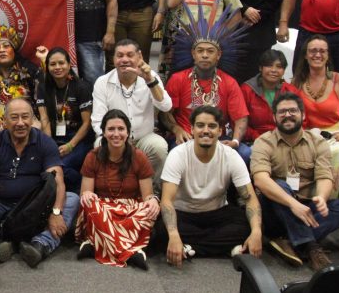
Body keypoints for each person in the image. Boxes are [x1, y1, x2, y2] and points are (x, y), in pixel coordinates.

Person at [250, 92, 339, 271]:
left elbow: (324, 176)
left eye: (293, 110)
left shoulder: (318, 142)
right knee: (280, 185)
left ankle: (287, 242)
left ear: (303, 115)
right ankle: (310, 246)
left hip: (307, 206)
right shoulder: (263, 142)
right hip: (275, 208)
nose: (288, 115)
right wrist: (292, 204)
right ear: (274, 117)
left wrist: (321, 197)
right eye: (282, 112)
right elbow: (260, 179)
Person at [0, 97, 79, 268]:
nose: (20, 123)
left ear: (33, 119)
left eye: (25, 117)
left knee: (72, 199)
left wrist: (55, 213)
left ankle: (41, 244)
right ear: (4, 121)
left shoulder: (45, 143)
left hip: (35, 205)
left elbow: (58, 180)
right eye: (14, 117)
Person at [160, 106, 263, 266]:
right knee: (161, 229)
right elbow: (166, 201)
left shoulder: (231, 156)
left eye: (212, 126)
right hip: (183, 214)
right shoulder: (178, 155)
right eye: (200, 125)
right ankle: (224, 248)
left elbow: (250, 199)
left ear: (220, 131)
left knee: (248, 225)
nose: (206, 131)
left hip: (217, 213)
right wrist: (173, 236)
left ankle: (190, 248)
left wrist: (256, 232)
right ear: (192, 129)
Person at [77, 110, 159, 269]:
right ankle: (129, 253)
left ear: (128, 132)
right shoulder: (92, 157)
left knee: (150, 208)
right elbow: (85, 194)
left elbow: (147, 196)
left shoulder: (139, 157)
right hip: (102, 208)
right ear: (104, 133)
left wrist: (153, 202)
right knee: (90, 205)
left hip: (130, 209)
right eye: (111, 129)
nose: (116, 134)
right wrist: (87, 194)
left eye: (121, 129)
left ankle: (97, 245)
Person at [163, 13, 251, 162]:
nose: (205, 55)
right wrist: (176, 129)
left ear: (219, 55)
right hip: (187, 136)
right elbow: (165, 113)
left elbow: (241, 118)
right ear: (193, 54)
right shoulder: (178, 79)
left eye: (210, 51)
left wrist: (235, 141)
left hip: (218, 137)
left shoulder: (229, 82)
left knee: (245, 153)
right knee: (175, 153)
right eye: (200, 51)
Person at [91, 39, 171, 179]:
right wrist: (115, 138)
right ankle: (110, 191)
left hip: (144, 138)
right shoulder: (102, 82)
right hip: (114, 138)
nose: (124, 60)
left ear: (139, 56)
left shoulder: (151, 77)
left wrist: (149, 80)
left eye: (130, 55)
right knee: (99, 144)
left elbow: (165, 106)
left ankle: (154, 192)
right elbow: (98, 122)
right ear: (113, 58)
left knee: (159, 146)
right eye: (120, 55)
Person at [292, 34, 339, 185]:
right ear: (305, 55)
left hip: (333, 135)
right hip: (305, 134)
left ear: (328, 55)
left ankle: (335, 202)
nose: (317, 55)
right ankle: (299, 197)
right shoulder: (297, 82)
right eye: (312, 51)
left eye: (322, 51)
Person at [35, 46, 93, 193]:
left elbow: (87, 123)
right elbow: (44, 118)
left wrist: (70, 145)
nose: (57, 67)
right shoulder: (43, 87)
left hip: (79, 139)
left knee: (61, 166)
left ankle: (82, 189)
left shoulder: (81, 87)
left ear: (69, 65)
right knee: (40, 162)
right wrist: (49, 145)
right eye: (53, 64)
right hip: (54, 137)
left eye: (61, 63)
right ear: (47, 67)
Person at [240, 49, 299, 142]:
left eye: (279, 67)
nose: (274, 70)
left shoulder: (291, 90)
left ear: (283, 71)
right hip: (253, 140)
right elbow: (238, 122)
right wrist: (257, 137)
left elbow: (300, 120)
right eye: (269, 66)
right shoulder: (246, 90)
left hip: (286, 139)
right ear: (260, 68)